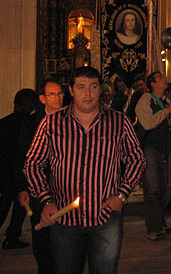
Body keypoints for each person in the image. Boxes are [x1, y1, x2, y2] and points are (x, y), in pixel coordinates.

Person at [24, 66, 145, 274]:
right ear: (71, 90)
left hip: (105, 217)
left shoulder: (118, 122)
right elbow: (33, 164)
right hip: (65, 219)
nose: (87, 93)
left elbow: (137, 159)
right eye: (81, 87)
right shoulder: (52, 123)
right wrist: (46, 200)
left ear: (100, 89)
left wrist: (122, 195)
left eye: (93, 86)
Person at [16, 79, 63, 274]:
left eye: (60, 93)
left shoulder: (69, 118)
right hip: (38, 188)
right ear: (42, 99)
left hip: (62, 187)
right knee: (42, 239)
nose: (58, 98)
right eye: (52, 94)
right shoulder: (31, 123)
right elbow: (22, 156)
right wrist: (22, 187)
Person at [0, 89, 37, 250]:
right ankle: (12, 236)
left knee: (4, 201)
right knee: (20, 205)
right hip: (19, 171)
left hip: (4, 170)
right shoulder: (28, 123)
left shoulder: (2, 122)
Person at [135, 71, 171, 241]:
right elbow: (147, 123)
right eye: (160, 77)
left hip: (168, 147)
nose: (165, 78)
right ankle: (153, 227)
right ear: (153, 84)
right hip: (151, 148)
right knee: (153, 187)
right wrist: (165, 114)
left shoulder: (169, 103)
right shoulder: (145, 100)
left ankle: (160, 222)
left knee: (167, 187)